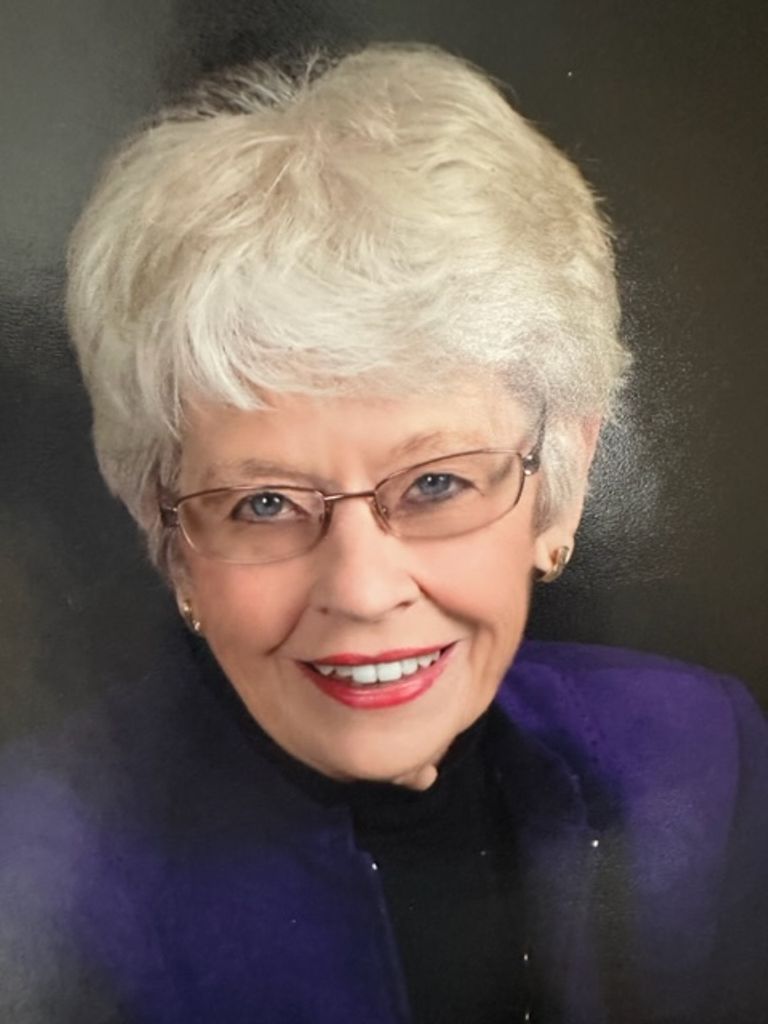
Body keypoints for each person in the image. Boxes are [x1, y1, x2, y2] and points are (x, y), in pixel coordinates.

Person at [2, 43, 766, 1024]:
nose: (361, 590)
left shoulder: (699, 752)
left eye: (437, 483)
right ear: (171, 534)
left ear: (563, 484)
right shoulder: (33, 870)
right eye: (265, 502)